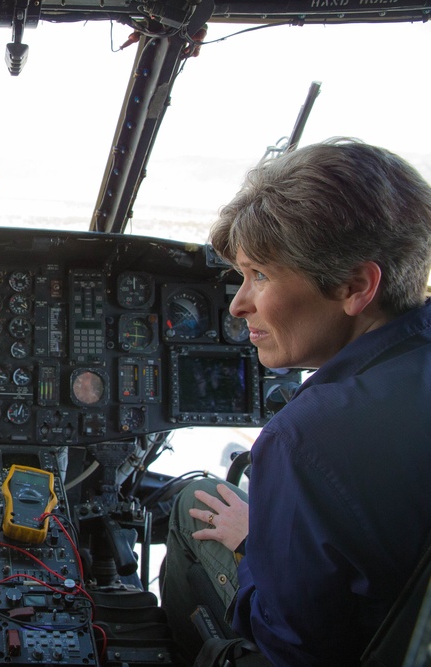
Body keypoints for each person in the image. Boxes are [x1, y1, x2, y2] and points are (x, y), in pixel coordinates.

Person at [161, 138, 431, 666]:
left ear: (356, 285)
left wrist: (253, 546)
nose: (239, 304)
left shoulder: (305, 437)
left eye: (259, 275)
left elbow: (287, 645)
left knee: (190, 504)